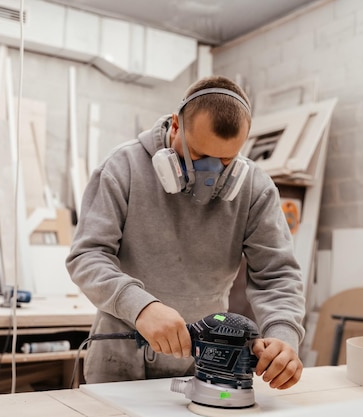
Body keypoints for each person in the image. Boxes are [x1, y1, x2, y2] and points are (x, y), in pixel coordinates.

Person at [66, 75, 306, 390]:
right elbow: (87, 256)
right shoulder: (122, 168)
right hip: (121, 361)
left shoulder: (254, 188)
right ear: (176, 126)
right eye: (199, 156)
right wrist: (140, 307)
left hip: (206, 361)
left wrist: (283, 336)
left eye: (225, 160)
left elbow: (277, 275)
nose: (212, 173)